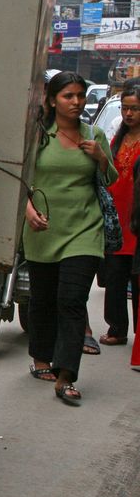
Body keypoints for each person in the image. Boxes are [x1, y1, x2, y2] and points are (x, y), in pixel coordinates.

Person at [23, 71, 116, 405]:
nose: (76, 102)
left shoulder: (95, 134)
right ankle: (41, 357)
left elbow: (110, 178)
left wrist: (101, 158)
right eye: (68, 96)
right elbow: (19, 180)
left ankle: (66, 376)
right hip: (43, 229)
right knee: (44, 298)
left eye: (81, 96)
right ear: (51, 100)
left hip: (84, 230)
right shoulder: (37, 136)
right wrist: (27, 211)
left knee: (73, 300)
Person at [98, 85, 140, 347]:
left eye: (134, 108)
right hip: (116, 220)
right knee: (114, 279)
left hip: (137, 220)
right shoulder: (118, 139)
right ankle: (117, 329)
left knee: (137, 281)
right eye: (125, 108)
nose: (128, 113)